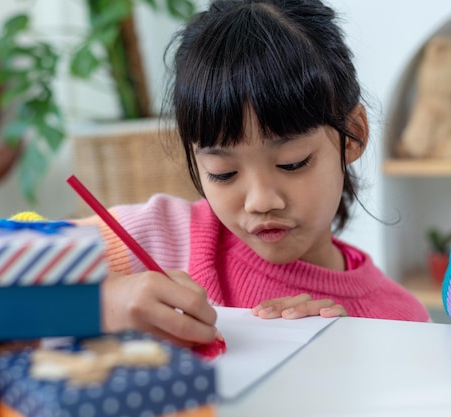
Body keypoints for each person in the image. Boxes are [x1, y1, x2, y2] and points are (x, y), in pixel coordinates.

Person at [74, 0, 430, 348]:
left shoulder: (401, 322)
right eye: (223, 172)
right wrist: (102, 302)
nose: (261, 201)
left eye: (292, 162)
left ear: (352, 136)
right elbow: (18, 256)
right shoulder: (159, 236)